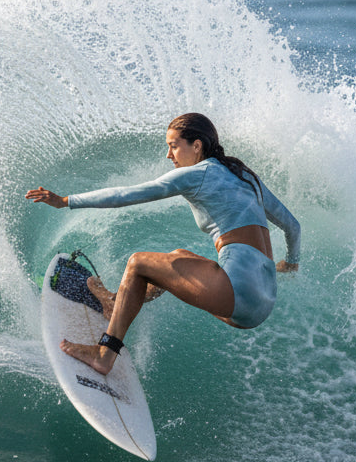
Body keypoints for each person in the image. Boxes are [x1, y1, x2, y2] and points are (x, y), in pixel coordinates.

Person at [25, 113, 300, 376]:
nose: (169, 155)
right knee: (178, 257)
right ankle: (113, 303)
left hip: (237, 293)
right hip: (262, 300)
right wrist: (290, 263)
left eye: (173, 147)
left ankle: (105, 354)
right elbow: (292, 226)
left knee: (138, 263)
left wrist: (66, 201)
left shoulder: (196, 174)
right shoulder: (245, 176)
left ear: (196, 145)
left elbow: (127, 194)